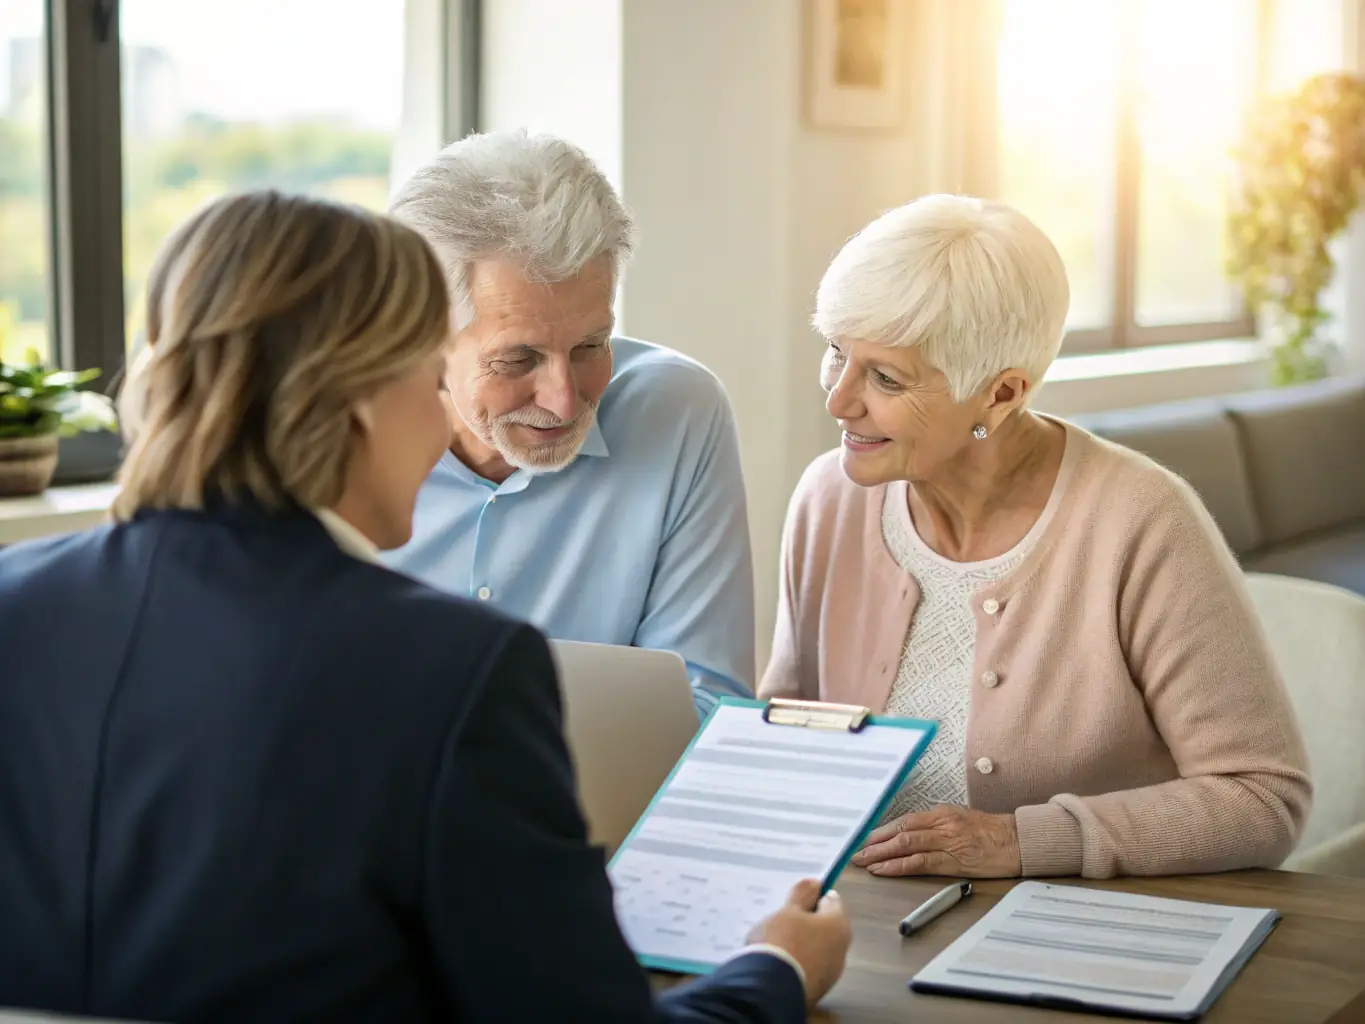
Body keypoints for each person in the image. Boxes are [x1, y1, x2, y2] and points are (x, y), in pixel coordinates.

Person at [0, 191, 850, 1023]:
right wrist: (772, 973)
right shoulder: (455, 669)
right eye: (427, 380)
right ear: (361, 402)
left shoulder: (15, 605)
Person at [760, 194, 1312, 881]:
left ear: (1000, 394)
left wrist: (1019, 842)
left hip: (1081, 937)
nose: (837, 400)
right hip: (866, 930)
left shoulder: (1139, 519)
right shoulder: (829, 499)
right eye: (835, 355)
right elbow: (783, 738)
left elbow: (1261, 799)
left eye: (884, 377)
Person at [384, 131, 754, 721]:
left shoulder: (678, 412)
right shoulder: (329, 441)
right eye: (518, 359)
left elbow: (706, 706)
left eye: (590, 345)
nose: (562, 401)